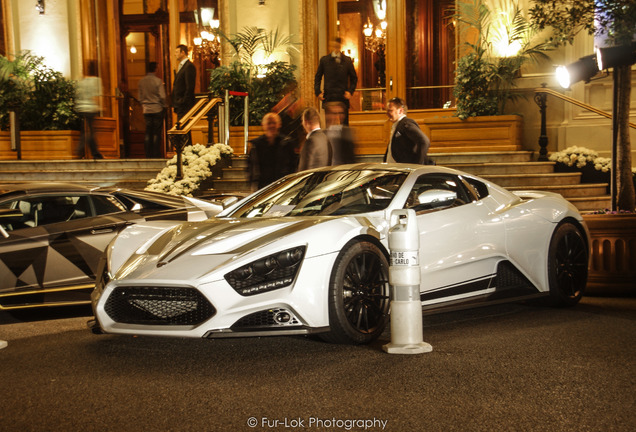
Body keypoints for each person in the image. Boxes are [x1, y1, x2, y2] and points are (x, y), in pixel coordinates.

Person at [314, 37, 357, 126]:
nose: (335, 47)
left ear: (340, 46)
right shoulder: (324, 60)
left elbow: (354, 78)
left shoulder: (347, 60)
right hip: (329, 97)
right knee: (330, 125)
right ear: (330, 46)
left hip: (343, 97)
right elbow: (318, 77)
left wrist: (350, 91)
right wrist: (318, 92)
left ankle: (344, 140)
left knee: (344, 126)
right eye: (333, 45)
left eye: (337, 45)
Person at [248, 112, 297, 190]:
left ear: (279, 124)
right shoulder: (256, 145)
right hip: (263, 188)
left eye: (274, 123)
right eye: (269, 123)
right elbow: (252, 169)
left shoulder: (287, 143)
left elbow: (293, 166)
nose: (271, 126)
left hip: (283, 187)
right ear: (263, 125)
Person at [383, 97, 431, 165]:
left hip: (403, 170)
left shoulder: (406, 124)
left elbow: (424, 141)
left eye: (390, 111)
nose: (387, 113)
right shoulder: (397, 125)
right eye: (387, 111)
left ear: (400, 111)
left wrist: (417, 165)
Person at [75, 60, 103, 159]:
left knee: (86, 130)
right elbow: (96, 95)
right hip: (90, 108)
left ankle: (94, 153)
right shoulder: (96, 80)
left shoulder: (81, 80)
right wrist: (100, 107)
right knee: (90, 131)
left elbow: (78, 94)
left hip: (81, 107)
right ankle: (81, 150)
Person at [138, 62, 166, 158]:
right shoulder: (158, 81)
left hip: (146, 110)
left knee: (148, 132)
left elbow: (140, 97)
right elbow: (162, 96)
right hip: (157, 108)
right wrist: (164, 105)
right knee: (156, 133)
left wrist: (144, 104)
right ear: (156, 69)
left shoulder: (141, 82)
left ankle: (148, 154)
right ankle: (156, 154)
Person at [298, 107, 332, 171]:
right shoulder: (325, 138)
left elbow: (303, 171)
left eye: (302, 121)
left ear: (306, 122)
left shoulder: (310, 141)